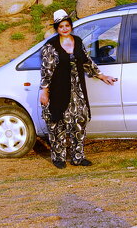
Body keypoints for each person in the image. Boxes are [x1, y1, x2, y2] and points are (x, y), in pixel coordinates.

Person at [38, 9, 118, 168]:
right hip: (58, 91)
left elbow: (87, 62)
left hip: (77, 90)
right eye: (61, 26)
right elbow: (46, 71)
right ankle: (58, 158)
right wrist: (44, 91)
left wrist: (102, 76)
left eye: (67, 25)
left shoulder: (78, 41)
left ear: (71, 26)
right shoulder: (50, 47)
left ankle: (78, 157)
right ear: (57, 29)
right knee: (57, 124)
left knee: (79, 122)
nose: (65, 29)